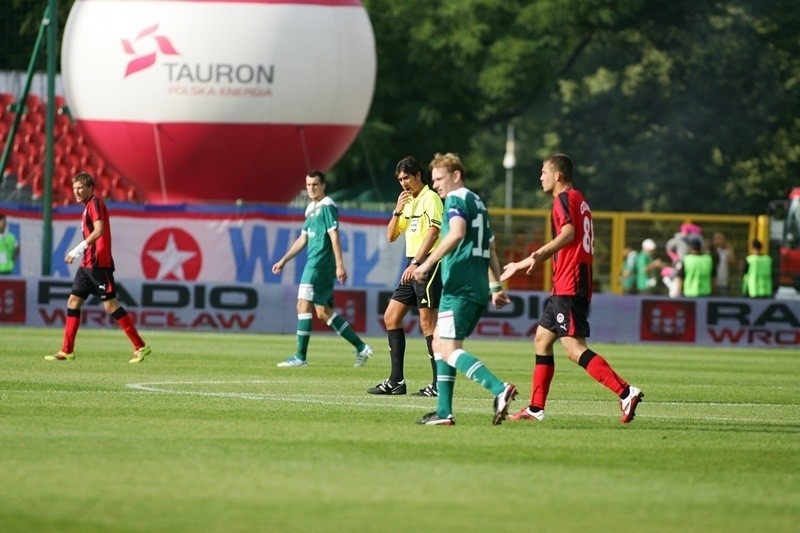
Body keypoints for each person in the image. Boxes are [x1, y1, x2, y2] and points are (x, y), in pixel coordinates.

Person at [500, 154, 643, 424]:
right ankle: (535, 408)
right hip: (568, 282)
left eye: (544, 172)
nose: (540, 176)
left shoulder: (563, 199)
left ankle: (626, 391)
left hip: (570, 282)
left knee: (574, 348)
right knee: (542, 340)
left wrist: (538, 256)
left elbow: (567, 234)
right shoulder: (579, 199)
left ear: (558, 176)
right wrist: (528, 261)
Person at [412, 152, 517, 426]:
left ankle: (498, 388)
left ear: (456, 175)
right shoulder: (477, 201)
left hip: (460, 285)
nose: (435, 185)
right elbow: (491, 245)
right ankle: (444, 412)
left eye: (439, 179)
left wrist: (427, 262)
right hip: (476, 285)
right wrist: (496, 285)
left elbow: (456, 233)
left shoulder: (457, 199)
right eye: (433, 180)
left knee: (447, 348)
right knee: (441, 343)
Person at [45, 172, 151, 362]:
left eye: (80, 188)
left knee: (111, 305)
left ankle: (140, 346)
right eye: (75, 188)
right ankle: (67, 350)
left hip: (98, 264)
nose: (76, 191)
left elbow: (99, 230)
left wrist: (75, 250)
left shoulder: (95, 203)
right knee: (73, 302)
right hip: (87, 265)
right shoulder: (87, 206)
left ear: (90, 188)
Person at [271, 170, 373, 367]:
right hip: (316, 263)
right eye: (308, 185)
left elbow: (334, 235)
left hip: (320, 264)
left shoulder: (327, 206)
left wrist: (340, 265)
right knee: (323, 312)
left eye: (315, 185)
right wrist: (284, 260)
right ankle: (362, 347)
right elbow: (303, 238)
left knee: (302, 304)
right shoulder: (310, 208)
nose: (311, 188)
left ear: (323, 185)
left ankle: (301, 357)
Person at [368, 156, 443, 396]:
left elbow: (433, 232)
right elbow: (391, 236)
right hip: (414, 266)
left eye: (407, 178)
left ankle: (439, 384)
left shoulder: (430, 198)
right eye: (400, 179)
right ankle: (396, 381)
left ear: (418, 175)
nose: (404, 183)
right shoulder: (408, 202)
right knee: (391, 317)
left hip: (428, 264)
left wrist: (417, 262)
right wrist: (397, 210)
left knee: (427, 324)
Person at [711, 231, 735, 296]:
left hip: (723, 284)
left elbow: (732, 262)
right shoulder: (709, 252)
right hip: (710, 284)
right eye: (716, 238)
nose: (717, 240)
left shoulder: (726, 252)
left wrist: (730, 248)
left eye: (720, 238)